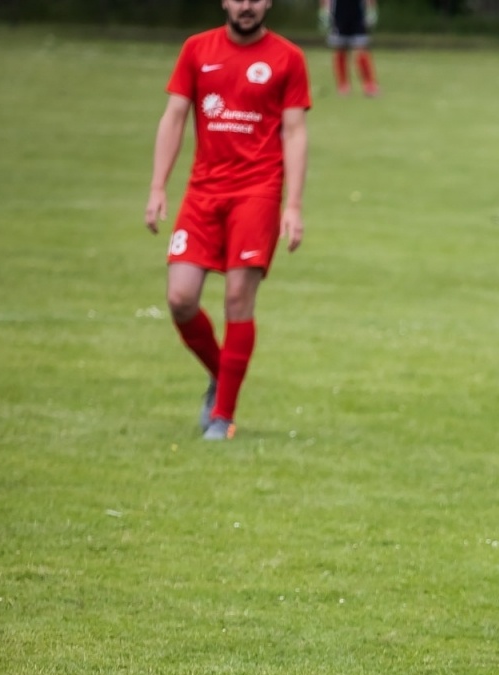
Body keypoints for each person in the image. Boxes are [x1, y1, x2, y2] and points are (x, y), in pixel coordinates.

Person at [145, 0, 310, 441]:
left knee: (238, 297)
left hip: (258, 192)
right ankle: (224, 373)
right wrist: (158, 186)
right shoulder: (197, 49)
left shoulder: (288, 58)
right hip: (203, 192)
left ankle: (222, 417)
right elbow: (174, 116)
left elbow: (295, 131)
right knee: (180, 298)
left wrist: (293, 205)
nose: (246, 5)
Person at [320, 0, 378, 97]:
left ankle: (369, 85)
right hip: (339, 13)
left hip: (358, 14)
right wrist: (325, 10)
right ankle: (343, 85)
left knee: (361, 49)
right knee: (340, 49)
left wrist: (371, 10)